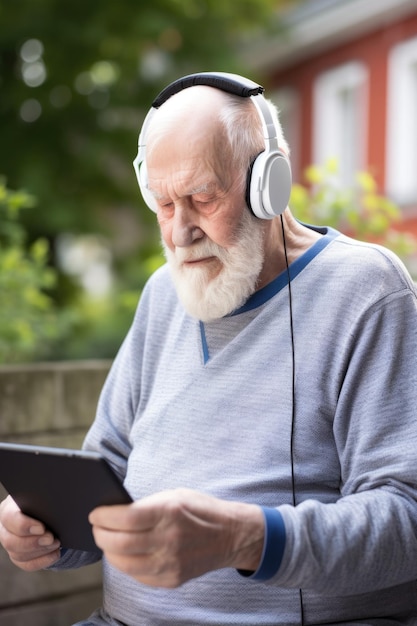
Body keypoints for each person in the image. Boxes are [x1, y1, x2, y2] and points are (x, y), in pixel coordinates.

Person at [1, 71, 417, 626]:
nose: (178, 233)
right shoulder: (161, 295)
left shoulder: (366, 291)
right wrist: (52, 534)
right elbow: (108, 474)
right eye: (164, 204)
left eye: (201, 197)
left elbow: (405, 518)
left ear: (269, 183)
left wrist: (244, 539)